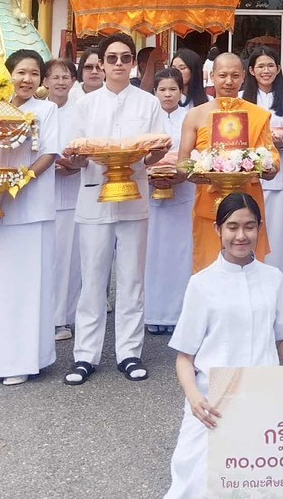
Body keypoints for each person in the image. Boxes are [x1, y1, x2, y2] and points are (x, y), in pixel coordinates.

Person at [162, 193, 283, 499]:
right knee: (200, 485)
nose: (241, 235)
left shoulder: (273, 279)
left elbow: (281, 344)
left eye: (249, 226)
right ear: (217, 230)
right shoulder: (202, 284)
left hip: (263, 399)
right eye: (232, 227)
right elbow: (184, 358)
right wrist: (195, 399)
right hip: (213, 404)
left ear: (260, 228)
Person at [65, 32, 166, 386]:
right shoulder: (84, 105)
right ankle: (85, 356)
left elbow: (158, 149)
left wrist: (149, 154)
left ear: (134, 63)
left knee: (131, 280)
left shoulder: (148, 103)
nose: (119, 64)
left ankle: (129, 352)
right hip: (93, 197)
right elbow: (73, 156)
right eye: (112, 58)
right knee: (91, 280)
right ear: (101, 64)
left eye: (125, 58)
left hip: (134, 198)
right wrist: (75, 158)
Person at [0, 50, 60, 385]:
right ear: (8, 74)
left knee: (28, 288)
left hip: (31, 209)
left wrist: (19, 179)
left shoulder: (47, 109)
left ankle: (26, 360)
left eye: (34, 74)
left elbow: (50, 153)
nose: (27, 79)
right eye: (21, 72)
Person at [178, 52, 278, 271]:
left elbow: (273, 162)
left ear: (244, 76)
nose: (229, 81)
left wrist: (264, 165)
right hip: (209, 204)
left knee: (250, 267)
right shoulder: (195, 115)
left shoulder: (258, 115)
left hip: (248, 202)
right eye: (222, 75)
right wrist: (201, 170)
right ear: (211, 76)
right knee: (209, 267)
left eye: (235, 75)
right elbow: (182, 163)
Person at [147, 69, 195, 334]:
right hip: (151, 189)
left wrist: (179, 173)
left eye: (173, 89)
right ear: (155, 92)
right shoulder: (146, 117)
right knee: (152, 252)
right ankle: (152, 312)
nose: (167, 94)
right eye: (162, 89)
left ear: (181, 91)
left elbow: (196, 150)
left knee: (180, 252)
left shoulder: (190, 117)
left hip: (183, 190)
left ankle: (178, 313)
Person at [240, 48, 283, 289]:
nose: (266, 70)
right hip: (248, 175)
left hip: (277, 176)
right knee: (247, 233)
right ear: (251, 71)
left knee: (277, 238)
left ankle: (276, 291)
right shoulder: (241, 100)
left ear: (278, 69)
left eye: (270, 65)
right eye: (260, 66)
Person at [44, 58, 81, 342]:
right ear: (45, 82)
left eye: (66, 76)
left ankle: (65, 318)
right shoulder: (37, 113)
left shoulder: (81, 112)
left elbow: (87, 148)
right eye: (55, 77)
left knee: (70, 260)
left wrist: (73, 164)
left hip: (73, 192)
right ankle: (45, 316)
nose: (60, 82)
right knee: (47, 259)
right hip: (42, 194)